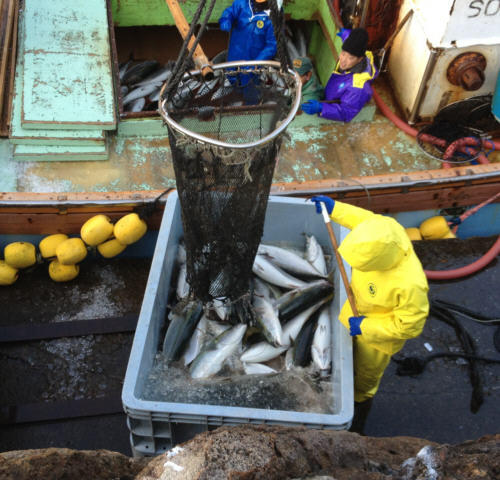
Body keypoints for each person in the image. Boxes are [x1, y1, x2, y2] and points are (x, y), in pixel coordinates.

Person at [310, 195, 429, 433]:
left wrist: (366, 327)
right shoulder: (386, 229)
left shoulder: (409, 285)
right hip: (354, 311)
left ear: (380, 262)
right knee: (341, 354)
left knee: (364, 379)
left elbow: (410, 326)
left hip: (378, 341)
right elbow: (363, 220)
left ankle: (359, 409)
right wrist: (335, 209)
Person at [302, 28, 377, 122]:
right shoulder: (353, 54)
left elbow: (346, 113)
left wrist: (322, 108)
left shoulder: (357, 88)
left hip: (333, 104)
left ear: (360, 59)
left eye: (351, 58)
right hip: (334, 87)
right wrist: (346, 34)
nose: (343, 60)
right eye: (343, 54)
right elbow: (349, 42)